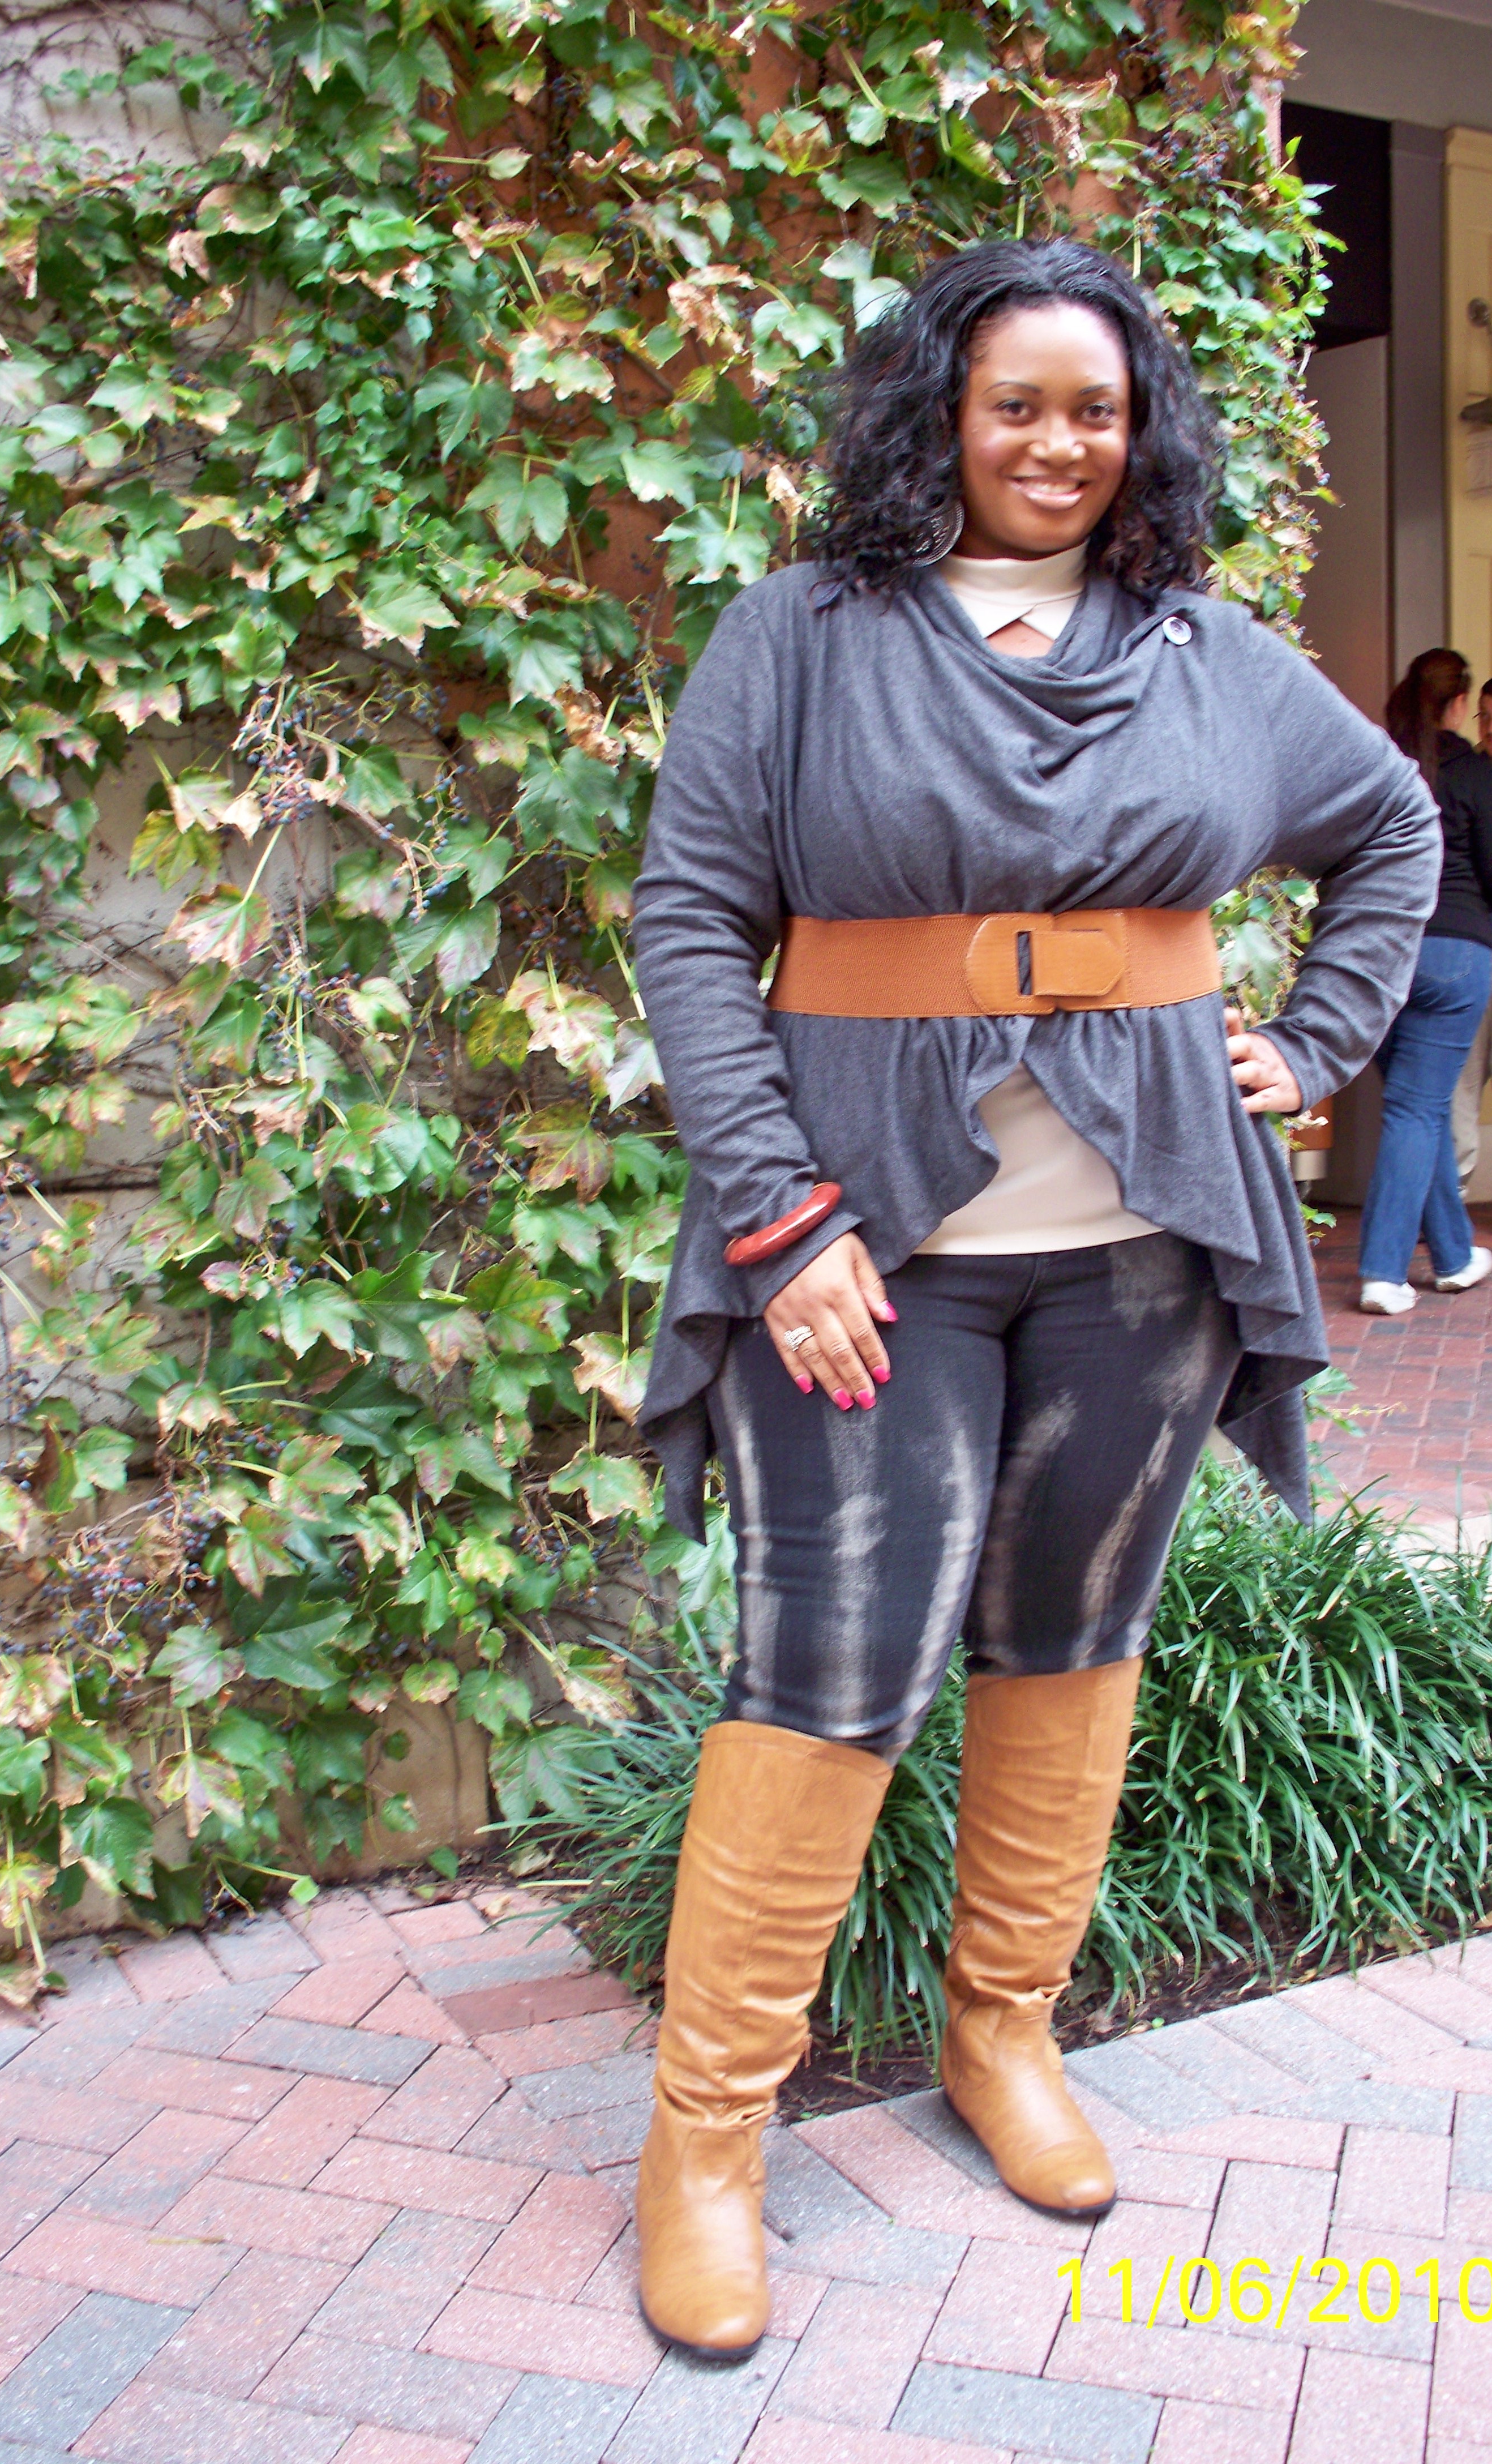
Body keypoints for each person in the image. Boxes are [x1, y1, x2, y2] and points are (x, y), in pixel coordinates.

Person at [632, 237, 1440, 2364]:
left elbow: (1389, 827)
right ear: (942, 414)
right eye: (1016, 404)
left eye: (1097, 408)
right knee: (826, 1665)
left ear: (1138, 429)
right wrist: (776, 1218)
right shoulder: (802, 637)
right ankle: (705, 2138)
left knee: (1072, 1639)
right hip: (865, 1253)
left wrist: (1318, 1039)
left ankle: (1004, 2029)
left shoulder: (1208, 653)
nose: (1058, 444)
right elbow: (693, 919)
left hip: (1143, 1248)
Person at [1358, 649, 1492, 1312]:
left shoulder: (1375, 765)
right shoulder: (1474, 774)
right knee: (1415, 1108)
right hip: (1455, 951)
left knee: (1421, 1104)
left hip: (1377, 951)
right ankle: (1382, 1271)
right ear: (1460, 704)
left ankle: (1454, 1254)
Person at [1450, 674, 1492, 1192]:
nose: (1489, 731)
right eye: (1485, 717)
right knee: (1464, 1075)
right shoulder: (1471, 778)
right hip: (1476, 946)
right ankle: (1452, 1192)